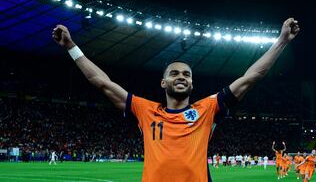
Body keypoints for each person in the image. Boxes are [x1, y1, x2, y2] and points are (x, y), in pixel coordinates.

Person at [52, 18, 300, 182]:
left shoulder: (208, 108)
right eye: (174, 73)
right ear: (163, 83)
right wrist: (71, 47)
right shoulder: (144, 109)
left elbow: (251, 77)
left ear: (192, 84)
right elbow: (102, 82)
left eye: (186, 75)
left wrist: (280, 42)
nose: (181, 77)